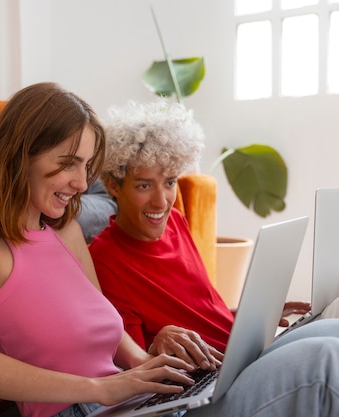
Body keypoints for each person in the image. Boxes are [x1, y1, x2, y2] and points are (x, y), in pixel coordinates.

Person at [0, 83, 198, 417]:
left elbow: (108, 330)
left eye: (86, 166)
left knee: (276, 359)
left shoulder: (68, 232)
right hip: (80, 408)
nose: (82, 184)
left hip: (131, 403)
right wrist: (99, 389)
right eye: (69, 163)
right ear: (22, 153)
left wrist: (147, 364)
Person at [89, 99, 339, 416]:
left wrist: (253, 313)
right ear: (113, 185)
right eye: (143, 185)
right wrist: (157, 345)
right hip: (208, 388)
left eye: (169, 183)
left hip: (240, 354)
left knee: (335, 322)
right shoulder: (103, 260)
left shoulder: (176, 223)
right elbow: (133, 375)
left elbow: (199, 308)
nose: (161, 200)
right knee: (327, 355)